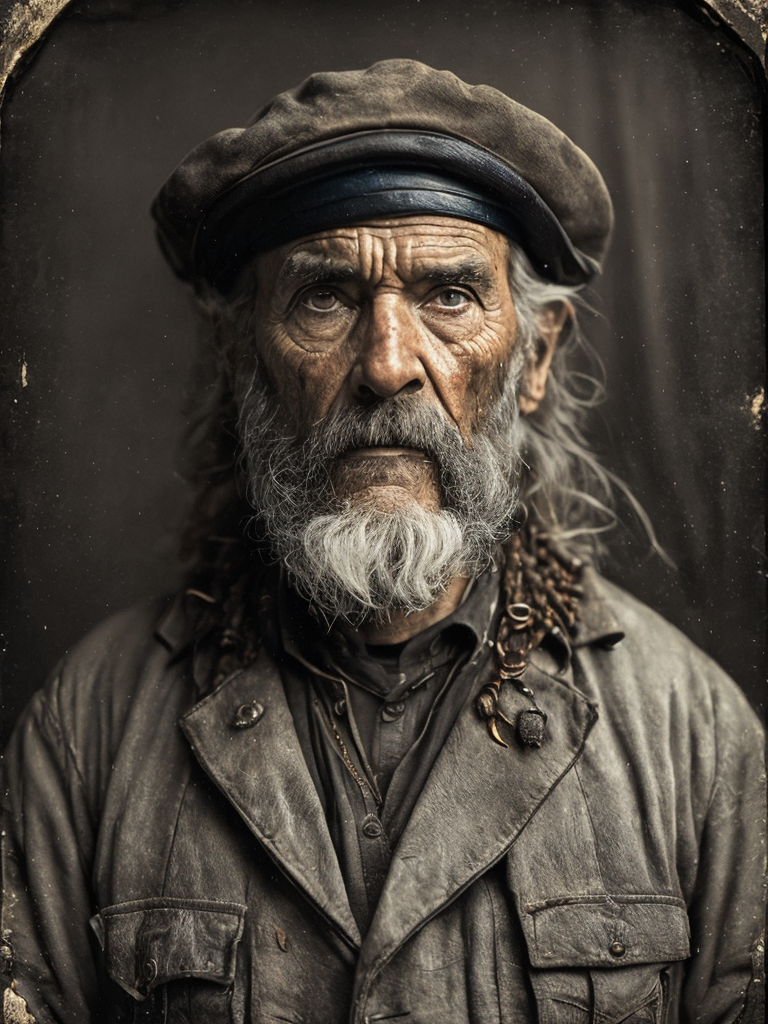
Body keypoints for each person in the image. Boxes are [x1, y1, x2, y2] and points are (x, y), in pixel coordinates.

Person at [0, 59, 764, 1024]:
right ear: (242, 355)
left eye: (449, 295)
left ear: (535, 357)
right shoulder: (87, 731)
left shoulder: (693, 735)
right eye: (325, 299)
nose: (388, 365)